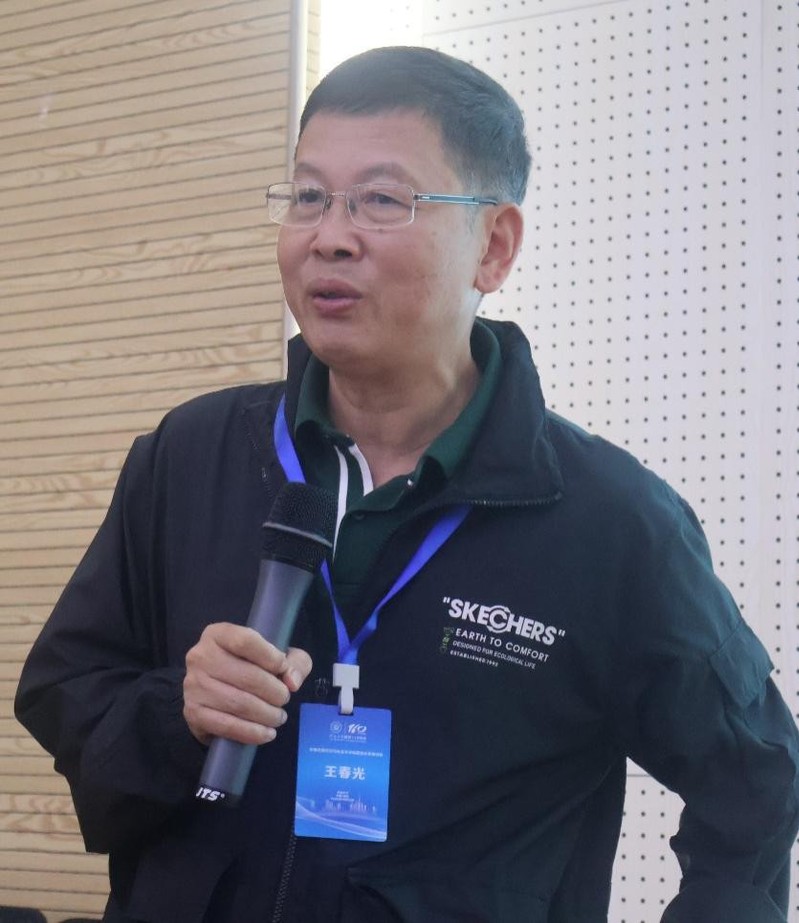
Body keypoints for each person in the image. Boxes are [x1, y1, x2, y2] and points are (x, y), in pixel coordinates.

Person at [15, 46, 799, 923]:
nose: (329, 234)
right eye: (308, 196)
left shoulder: (611, 521)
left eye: (382, 200)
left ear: (493, 246)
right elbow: (64, 691)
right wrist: (178, 711)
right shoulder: (189, 454)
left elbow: (755, 782)